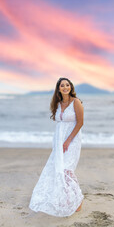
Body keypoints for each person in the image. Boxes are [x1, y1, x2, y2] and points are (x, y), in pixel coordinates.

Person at [29, 77, 84, 217]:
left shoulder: (76, 102)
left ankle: (78, 199)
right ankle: (68, 198)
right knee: (59, 168)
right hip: (59, 141)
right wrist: (59, 142)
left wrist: (68, 140)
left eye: (67, 85)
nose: (65, 87)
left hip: (72, 140)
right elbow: (59, 124)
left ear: (71, 87)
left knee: (67, 170)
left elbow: (80, 123)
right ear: (58, 89)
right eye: (62, 85)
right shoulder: (58, 103)